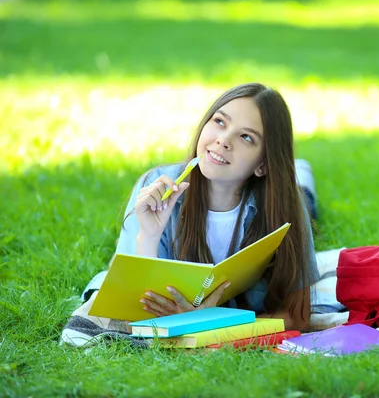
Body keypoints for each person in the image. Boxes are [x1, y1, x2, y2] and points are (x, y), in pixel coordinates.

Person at [81, 83, 319, 331]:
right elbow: (130, 310)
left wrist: (212, 321)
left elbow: (298, 317)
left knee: (306, 199)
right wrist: (148, 236)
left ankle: (301, 171)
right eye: (219, 122)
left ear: (264, 164)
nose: (223, 140)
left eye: (246, 137)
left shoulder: (286, 204)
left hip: (276, 190)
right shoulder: (156, 188)